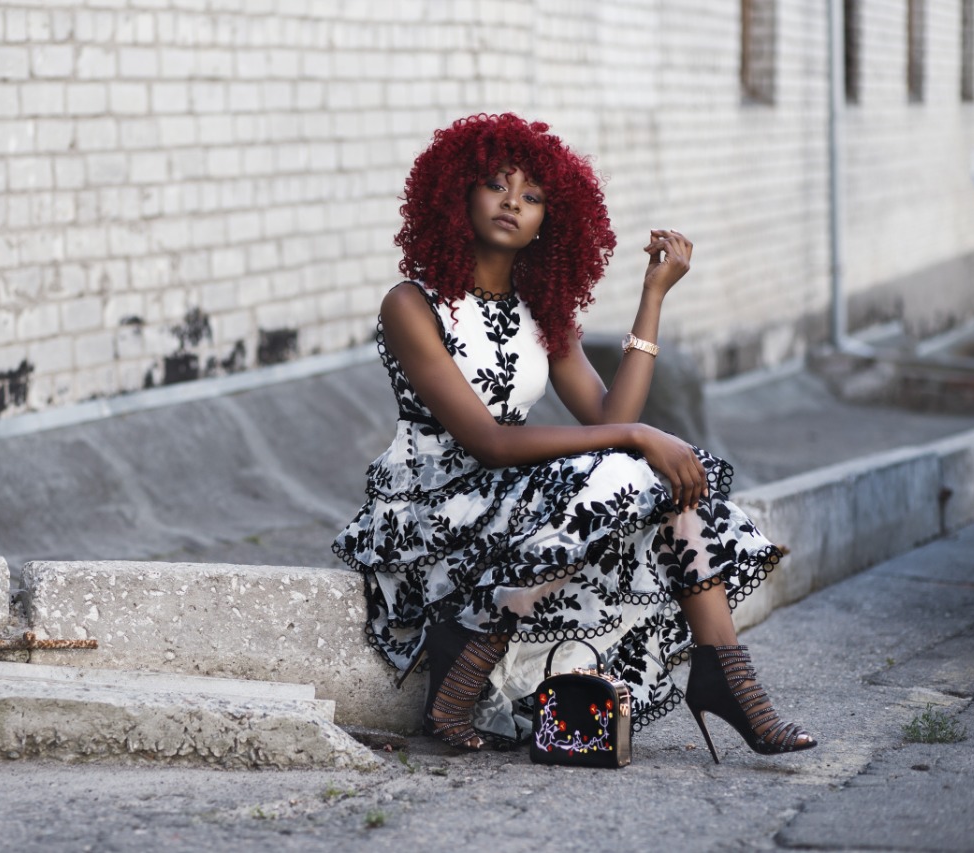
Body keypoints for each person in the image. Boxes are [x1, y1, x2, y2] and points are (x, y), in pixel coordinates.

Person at [332, 113, 816, 762]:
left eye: (532, 197)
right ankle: (474, 660)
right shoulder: (411, 304)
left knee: (641, 472)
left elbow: (608, 415)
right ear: (457, 195)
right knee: (628, 464)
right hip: (432, 508)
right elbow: (488, 443)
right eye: (497, 186)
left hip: (511, 502)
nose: (513, 203)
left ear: (549, 223)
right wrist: (641, 435)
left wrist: (652, 298)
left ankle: (724, 670)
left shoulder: (543, 314)